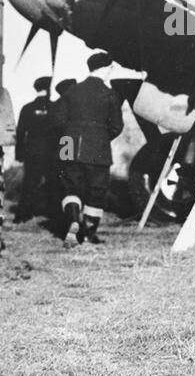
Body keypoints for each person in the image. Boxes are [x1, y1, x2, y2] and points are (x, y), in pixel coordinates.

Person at [55, 53, 124, 246]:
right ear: (106, 68)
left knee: (69, 187)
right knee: (96, 191)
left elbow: (58, 121)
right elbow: (117, 127)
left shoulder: (72, 91)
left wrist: (70, 137)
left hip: (68, 144)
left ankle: (73, 221)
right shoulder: (110, 94)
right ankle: (86, 235)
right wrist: (100, 137)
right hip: (97, 146)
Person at [13, 77, 55, 222]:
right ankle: (52, 213)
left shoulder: (27, 108)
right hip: (52, 153)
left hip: (32, 152)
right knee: (53, 184)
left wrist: (19, 154)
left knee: (29, 184)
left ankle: (22, 215)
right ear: (49, 88)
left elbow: (20, 132)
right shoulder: (55, 107)